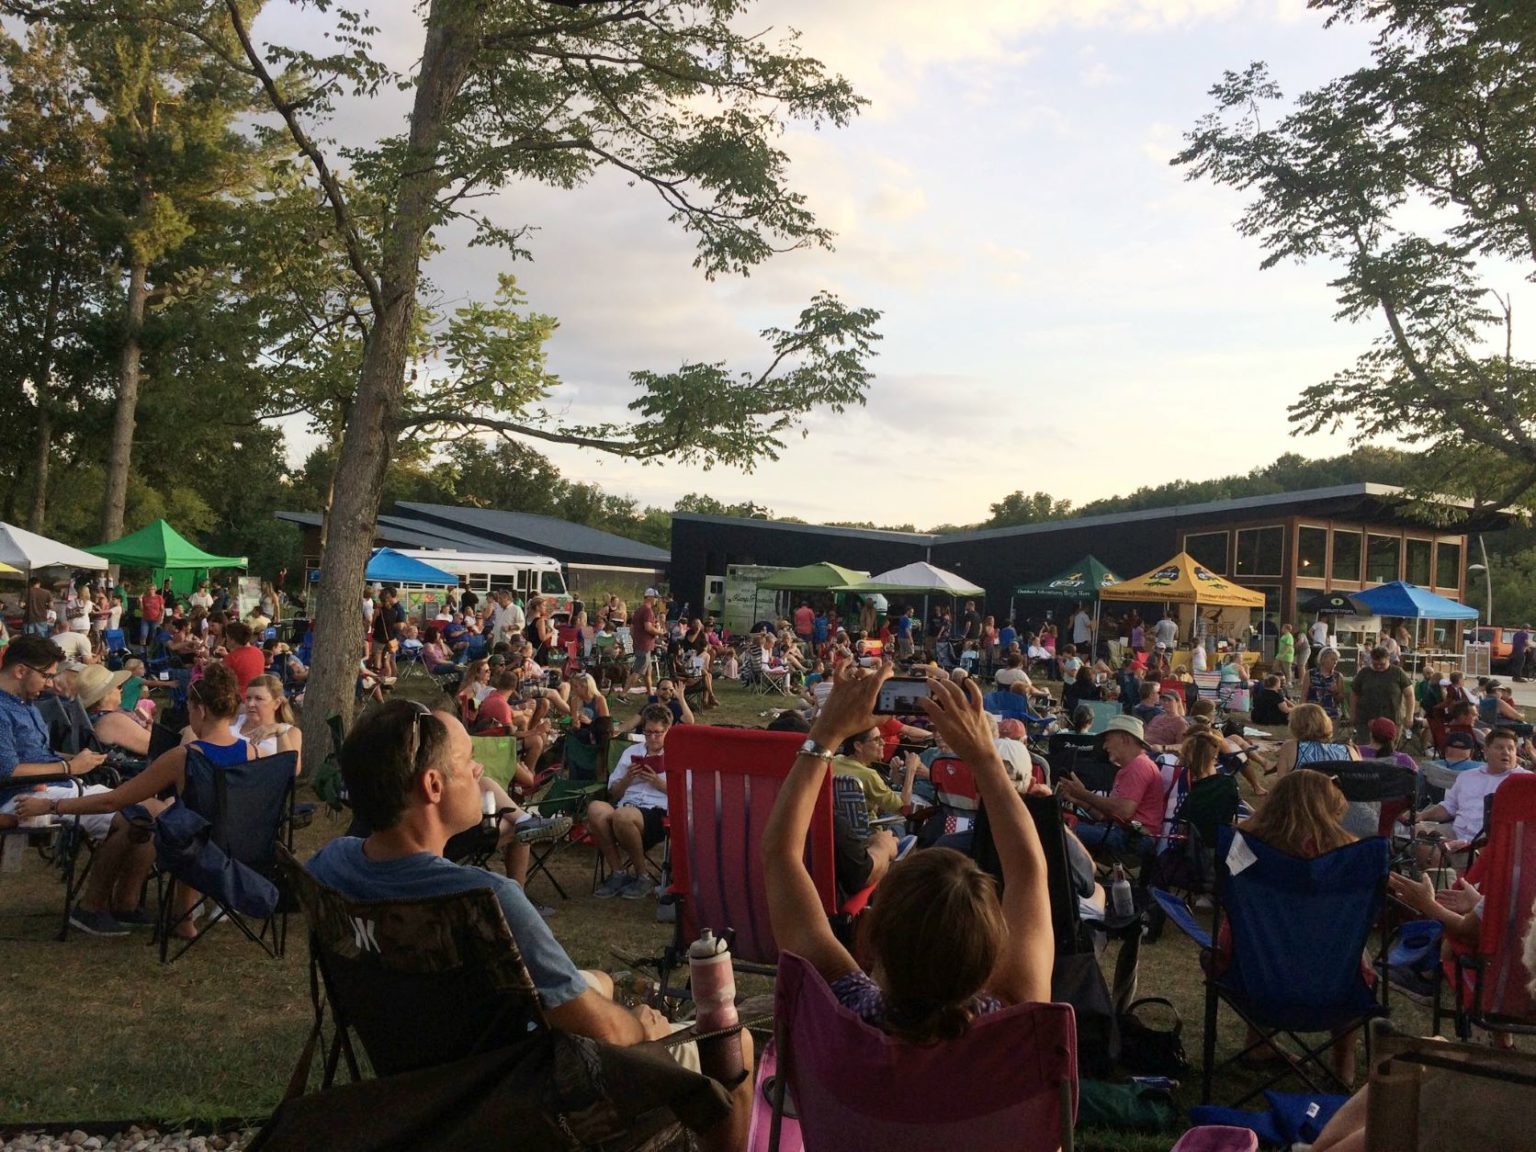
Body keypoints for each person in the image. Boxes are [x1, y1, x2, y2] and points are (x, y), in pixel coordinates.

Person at [297, 698, 752, 1151]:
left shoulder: (328, 867)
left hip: (414, 1088)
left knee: (598, 982)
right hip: (516, 1105)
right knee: (735, 1042)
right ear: (433, 786)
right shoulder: (485, 900)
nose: (478, 771)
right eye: (468, 760)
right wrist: (640, 1027)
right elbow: (607, 1034)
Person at [763, 663, 1052, 1041]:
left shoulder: (840, 1009)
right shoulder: (1014, 1018)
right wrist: (984, 755)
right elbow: (1028, 869)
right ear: (994, 951)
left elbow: (780, 852)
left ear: (866, 939)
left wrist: (826, 732)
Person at [16, 664, 252, 938]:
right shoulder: (256, 752)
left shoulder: (183, 757)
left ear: (200, 711)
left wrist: (52, 806)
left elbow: (112, 802)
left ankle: (182, 918)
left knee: (171, 823)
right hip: (245, 846)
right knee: (176, 821)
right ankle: (148, 909)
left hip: (198, 846)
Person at [1231, 770, 1363, 1085]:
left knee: (1246, 939)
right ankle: (1343, 1061)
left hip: (1252, 972)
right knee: (1354, 959)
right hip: (1327, 973)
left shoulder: (1243, 842)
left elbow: (1229, 892)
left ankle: (1257, 1041)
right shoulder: (1345, 851)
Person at [0, 635, 111, 845]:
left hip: (49, 789)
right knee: (134, 815)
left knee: (138, 813)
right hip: (23, 798)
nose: (50, 683)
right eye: (46, 676)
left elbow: (34, 753)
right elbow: (7, 770)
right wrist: (69, 767)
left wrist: (74, 759)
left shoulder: (25, 702)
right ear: (20, 671)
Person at [589, 704, 673, 899]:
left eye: (657, 733)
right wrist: (628, 778)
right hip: (626, 804)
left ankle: (643, 876)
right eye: (648, 732)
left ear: (667, 730)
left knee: (622, 816)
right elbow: (613, 793)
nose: (652, 737)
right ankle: (618, 872)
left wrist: (658, 783)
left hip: (657, 812)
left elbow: (686, 793)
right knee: (595, 809)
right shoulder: (631, 752)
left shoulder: (677, 755)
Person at [1057, 714, 1166, 854]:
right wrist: (1078, 798)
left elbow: (1123, 812)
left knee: (1057, 831)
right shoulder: (1130, 768)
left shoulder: (1139, 766)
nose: (1104, 746)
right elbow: (1105, 816)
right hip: (1123, 833)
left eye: (1108, 740)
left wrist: (1083, 794)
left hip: (1135, 839)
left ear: (1124, 739)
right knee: (1059, 826)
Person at [1409, 726, 1529, 846]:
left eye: (1511, 748)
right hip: (1457, 832)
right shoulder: (1467, 776)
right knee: (1416, 832)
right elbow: (1449, 807)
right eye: (1499, 747)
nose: (1506, 752)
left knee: (1432, 848)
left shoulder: (1526, 781)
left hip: (1492, 842)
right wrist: (1422, 815)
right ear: (1486, 751)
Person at [76, 664, 150, 758]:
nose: (121, 690)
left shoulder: (89, 717)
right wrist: (150, 726)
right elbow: (155, 747)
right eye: (119, 686)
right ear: (107, 693)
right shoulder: (112, 720)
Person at [1350, 645, 1413, 746]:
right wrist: (1352, 714)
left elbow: (1409, 694)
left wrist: (1409, 716)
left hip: (1392, 718)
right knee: (1366, 747)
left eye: (1382, 664)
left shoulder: (1398, 673)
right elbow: (1354, 694)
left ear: (1388, 659)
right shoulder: (1364, 673)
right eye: (1375, 664)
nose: (1379, 666)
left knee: (1389, 748)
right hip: (1366, 719)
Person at [1274, 702, 1359, 776]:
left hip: (1303, 789)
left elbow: (1281, 782)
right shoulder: (1349, 751)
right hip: (1336, 789)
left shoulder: (1291, 748)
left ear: (1295, 726)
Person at [233, 674, 303, 762]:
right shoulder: (233, 721)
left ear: (277, 703)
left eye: (259, 698)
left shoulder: (290, 732)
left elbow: (292, 767)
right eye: (248, 698)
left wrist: (280, 732)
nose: (250, 704)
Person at [624, 588, 664, 695]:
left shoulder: (638, 610)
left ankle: (650, 694)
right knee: (638, 671)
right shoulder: (648, 611)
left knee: (648, 672)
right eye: (655, 597)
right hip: (645, 645)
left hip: (639, 644)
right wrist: (660, 632)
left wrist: (633, 641)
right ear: (650, 597)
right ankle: (622, 694)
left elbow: (632, 629)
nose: (656, 600)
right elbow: (648, 628)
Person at [222, 620, 265, 693]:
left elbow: (222, 682)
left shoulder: (231, 658)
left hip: (239, 695)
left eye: (227, 637)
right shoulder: (259, 652)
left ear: (233, 640)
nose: (226, 640)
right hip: (258, 692)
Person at [1302, 646, 1345, 720]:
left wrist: (1335, 692)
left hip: (1332, 714)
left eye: (1336, 660)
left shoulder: (1338, 676)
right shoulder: (1310, 674)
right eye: (1332, 659)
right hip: (1313, 714)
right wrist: (1301, 713)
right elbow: (1304, 695)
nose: (1335, 662)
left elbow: (1341, 699)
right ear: (1323, 659)